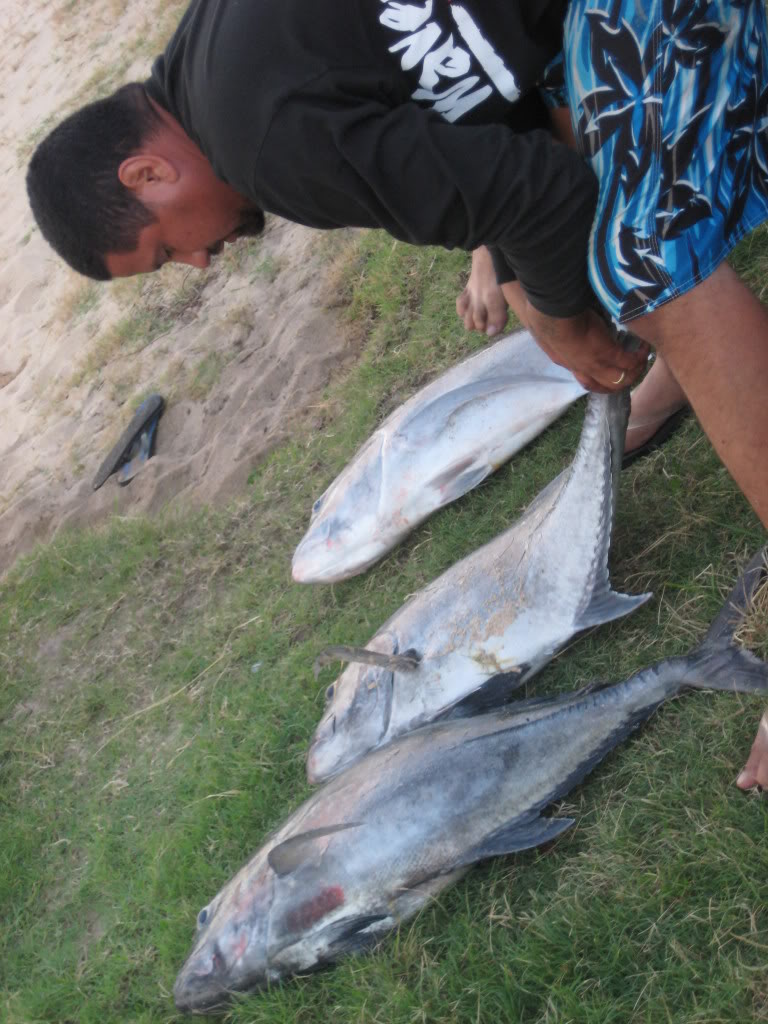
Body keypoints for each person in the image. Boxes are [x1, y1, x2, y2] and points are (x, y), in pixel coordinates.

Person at [25, 0, 768, 784]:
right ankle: (695, 372)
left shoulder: (266, 147)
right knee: (587, 188)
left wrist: (561, 322)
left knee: (640, 265)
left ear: (146, 173)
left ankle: (695, 347)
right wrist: (518, 279)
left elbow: (546, 194)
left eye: (165, 250)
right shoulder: (213, 55)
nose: (200, 263)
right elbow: (486, 117)